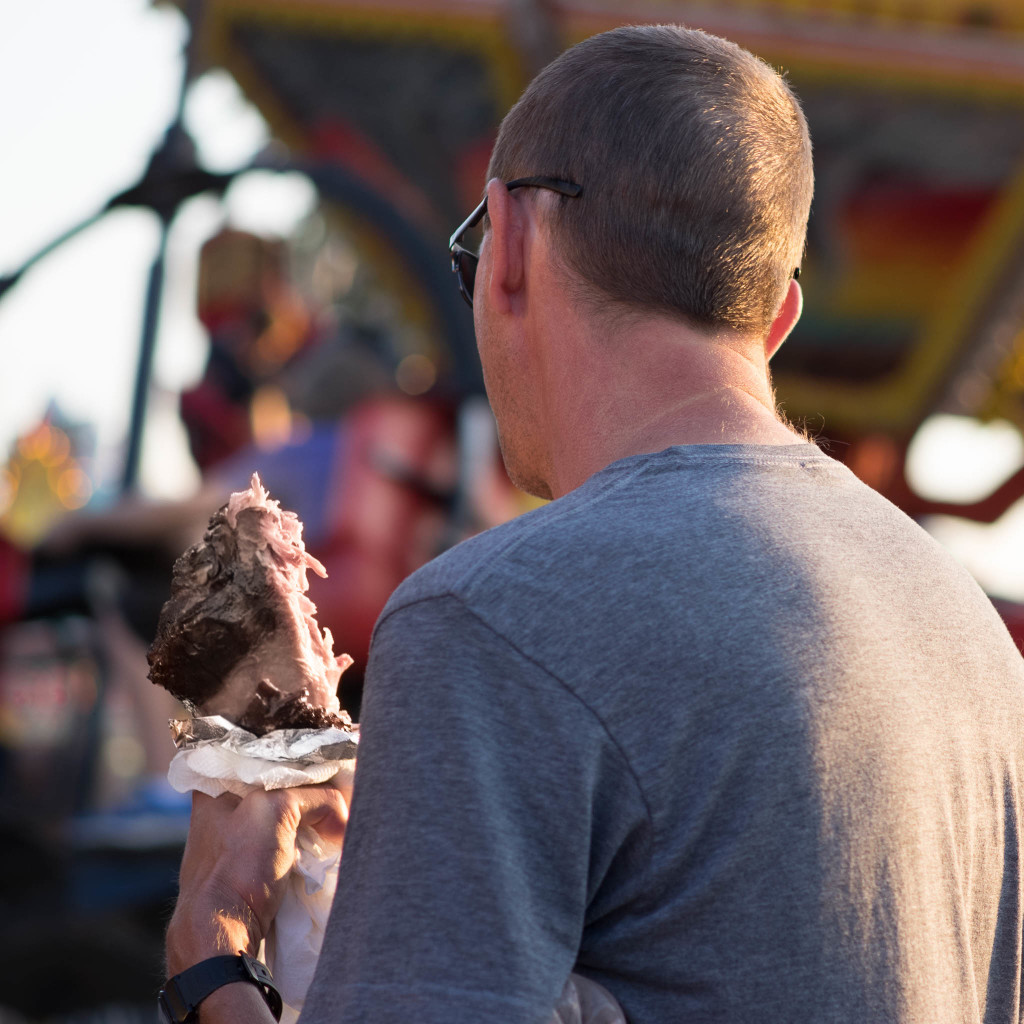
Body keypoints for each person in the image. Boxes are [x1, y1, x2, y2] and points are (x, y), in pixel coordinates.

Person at [164, 24, 1024, 1024]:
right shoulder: (970, 639)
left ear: (512, 242)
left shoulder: (492, 620)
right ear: (777, 320)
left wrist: (209, 960)